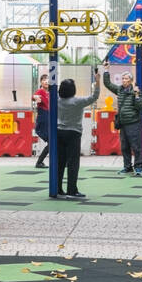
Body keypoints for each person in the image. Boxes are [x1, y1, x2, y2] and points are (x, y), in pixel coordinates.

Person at [56, 68, 101, 198]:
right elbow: (94, 97)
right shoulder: (77, 102)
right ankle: (72, 190)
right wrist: (97, 81)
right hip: (73, 133)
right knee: (73, 162)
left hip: (59, 132)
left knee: (60, 162)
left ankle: (58, 188)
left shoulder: (57, 100)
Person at [102, 67, 142, 175]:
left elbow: (139, 106)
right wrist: (106, 70)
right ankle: (127, 167)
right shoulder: (120, 90)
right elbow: (108, 84)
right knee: (124, 147)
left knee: (136, 146)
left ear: (131, 81)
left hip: (133, 123)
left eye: (126, 78)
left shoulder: (136, 92)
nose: (123, 80)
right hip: (123, 124)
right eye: (122, 78)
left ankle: (139, 167)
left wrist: (136, 95)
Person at [32, 80, 51, 169]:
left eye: (48, 80)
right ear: (41, 82)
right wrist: (36, 98)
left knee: (53, 142)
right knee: (52, 142)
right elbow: (34, 96)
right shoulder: (40, 91)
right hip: (43, 121)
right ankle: (39, 162)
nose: (46, 82)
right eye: (44, 80)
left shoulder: (50, 92)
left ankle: (39, 162)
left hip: (47, 120)